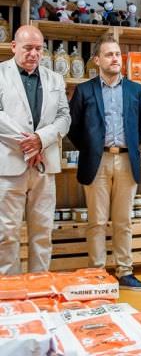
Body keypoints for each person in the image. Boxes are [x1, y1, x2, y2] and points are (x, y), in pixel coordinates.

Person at [68, 34, 141, 290]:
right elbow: (74, 128)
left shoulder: (136, 90)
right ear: (97, 60)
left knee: (123, 221)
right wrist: (93, 149)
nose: (115, 59)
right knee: (97, 221)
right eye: (109, 54)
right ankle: (97, 272)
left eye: (117, 54)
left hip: (127, 161)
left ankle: (125, 272)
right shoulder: (84, 90)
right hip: (97, 161)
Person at [0, 25, 71, 274]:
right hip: (9, 167)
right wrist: (28, 144)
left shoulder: (55, 78)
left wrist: (41, 139)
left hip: (44, 166)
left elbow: (64, 117)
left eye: (39, 49)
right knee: (6, 234)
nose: (33, 53)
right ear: (14, 47)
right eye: (28, 47)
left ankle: (39, 289)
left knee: (42, 233)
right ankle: (8, 293)